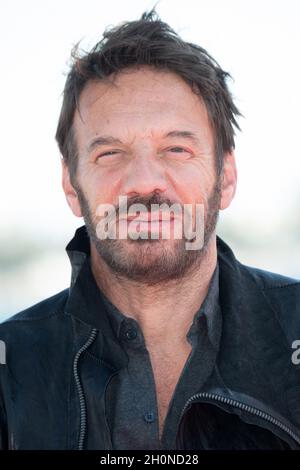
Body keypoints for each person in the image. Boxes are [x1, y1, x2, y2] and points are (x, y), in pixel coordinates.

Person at [0, 8, 300, 451]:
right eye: (110, 153)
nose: (144, 181)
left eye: (176, 148)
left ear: (227, 178)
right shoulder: (10, 367)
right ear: (71, 184)